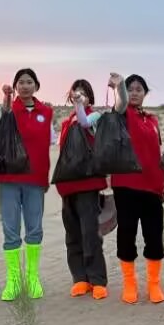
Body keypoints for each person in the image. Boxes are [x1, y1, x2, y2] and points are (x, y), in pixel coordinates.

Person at [58, 73, 128, 300]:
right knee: (73, 234)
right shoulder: (66, 122)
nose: (80, 96)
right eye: (76, 93)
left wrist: (81, 105)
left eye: (84, 93)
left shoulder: (94, 116)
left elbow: (85, 123)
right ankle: (80, 278)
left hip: (88, 184)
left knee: (90, 234)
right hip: (68, 186)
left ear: (90, 97)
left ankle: (97, 279)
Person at [0, 68, 53, 300]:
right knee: (11, 230)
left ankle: (32, 277)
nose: (25, 86)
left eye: (29, 82)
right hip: (9, 178)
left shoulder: (46, 112)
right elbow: (5, 112)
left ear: (36, 86)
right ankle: (13, 280)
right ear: (15, 86)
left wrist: (45, 178)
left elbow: (47, 146)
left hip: (35, 179)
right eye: (21, 82)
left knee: (34, 229)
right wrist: (7, 97)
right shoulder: (10, 109)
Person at [111, 74, 164, 305]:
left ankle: (153, 283)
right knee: (127, 235)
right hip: (126, 185)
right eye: (130, 89)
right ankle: (129, 283)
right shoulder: (122, 114)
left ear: (145, 93)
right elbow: (121, 102)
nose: (134, 93)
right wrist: (119, 87)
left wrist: (161, 185)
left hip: (152, 187)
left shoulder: (152, 120)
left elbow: (155, 154)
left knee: (154, 236)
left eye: (138, 89)